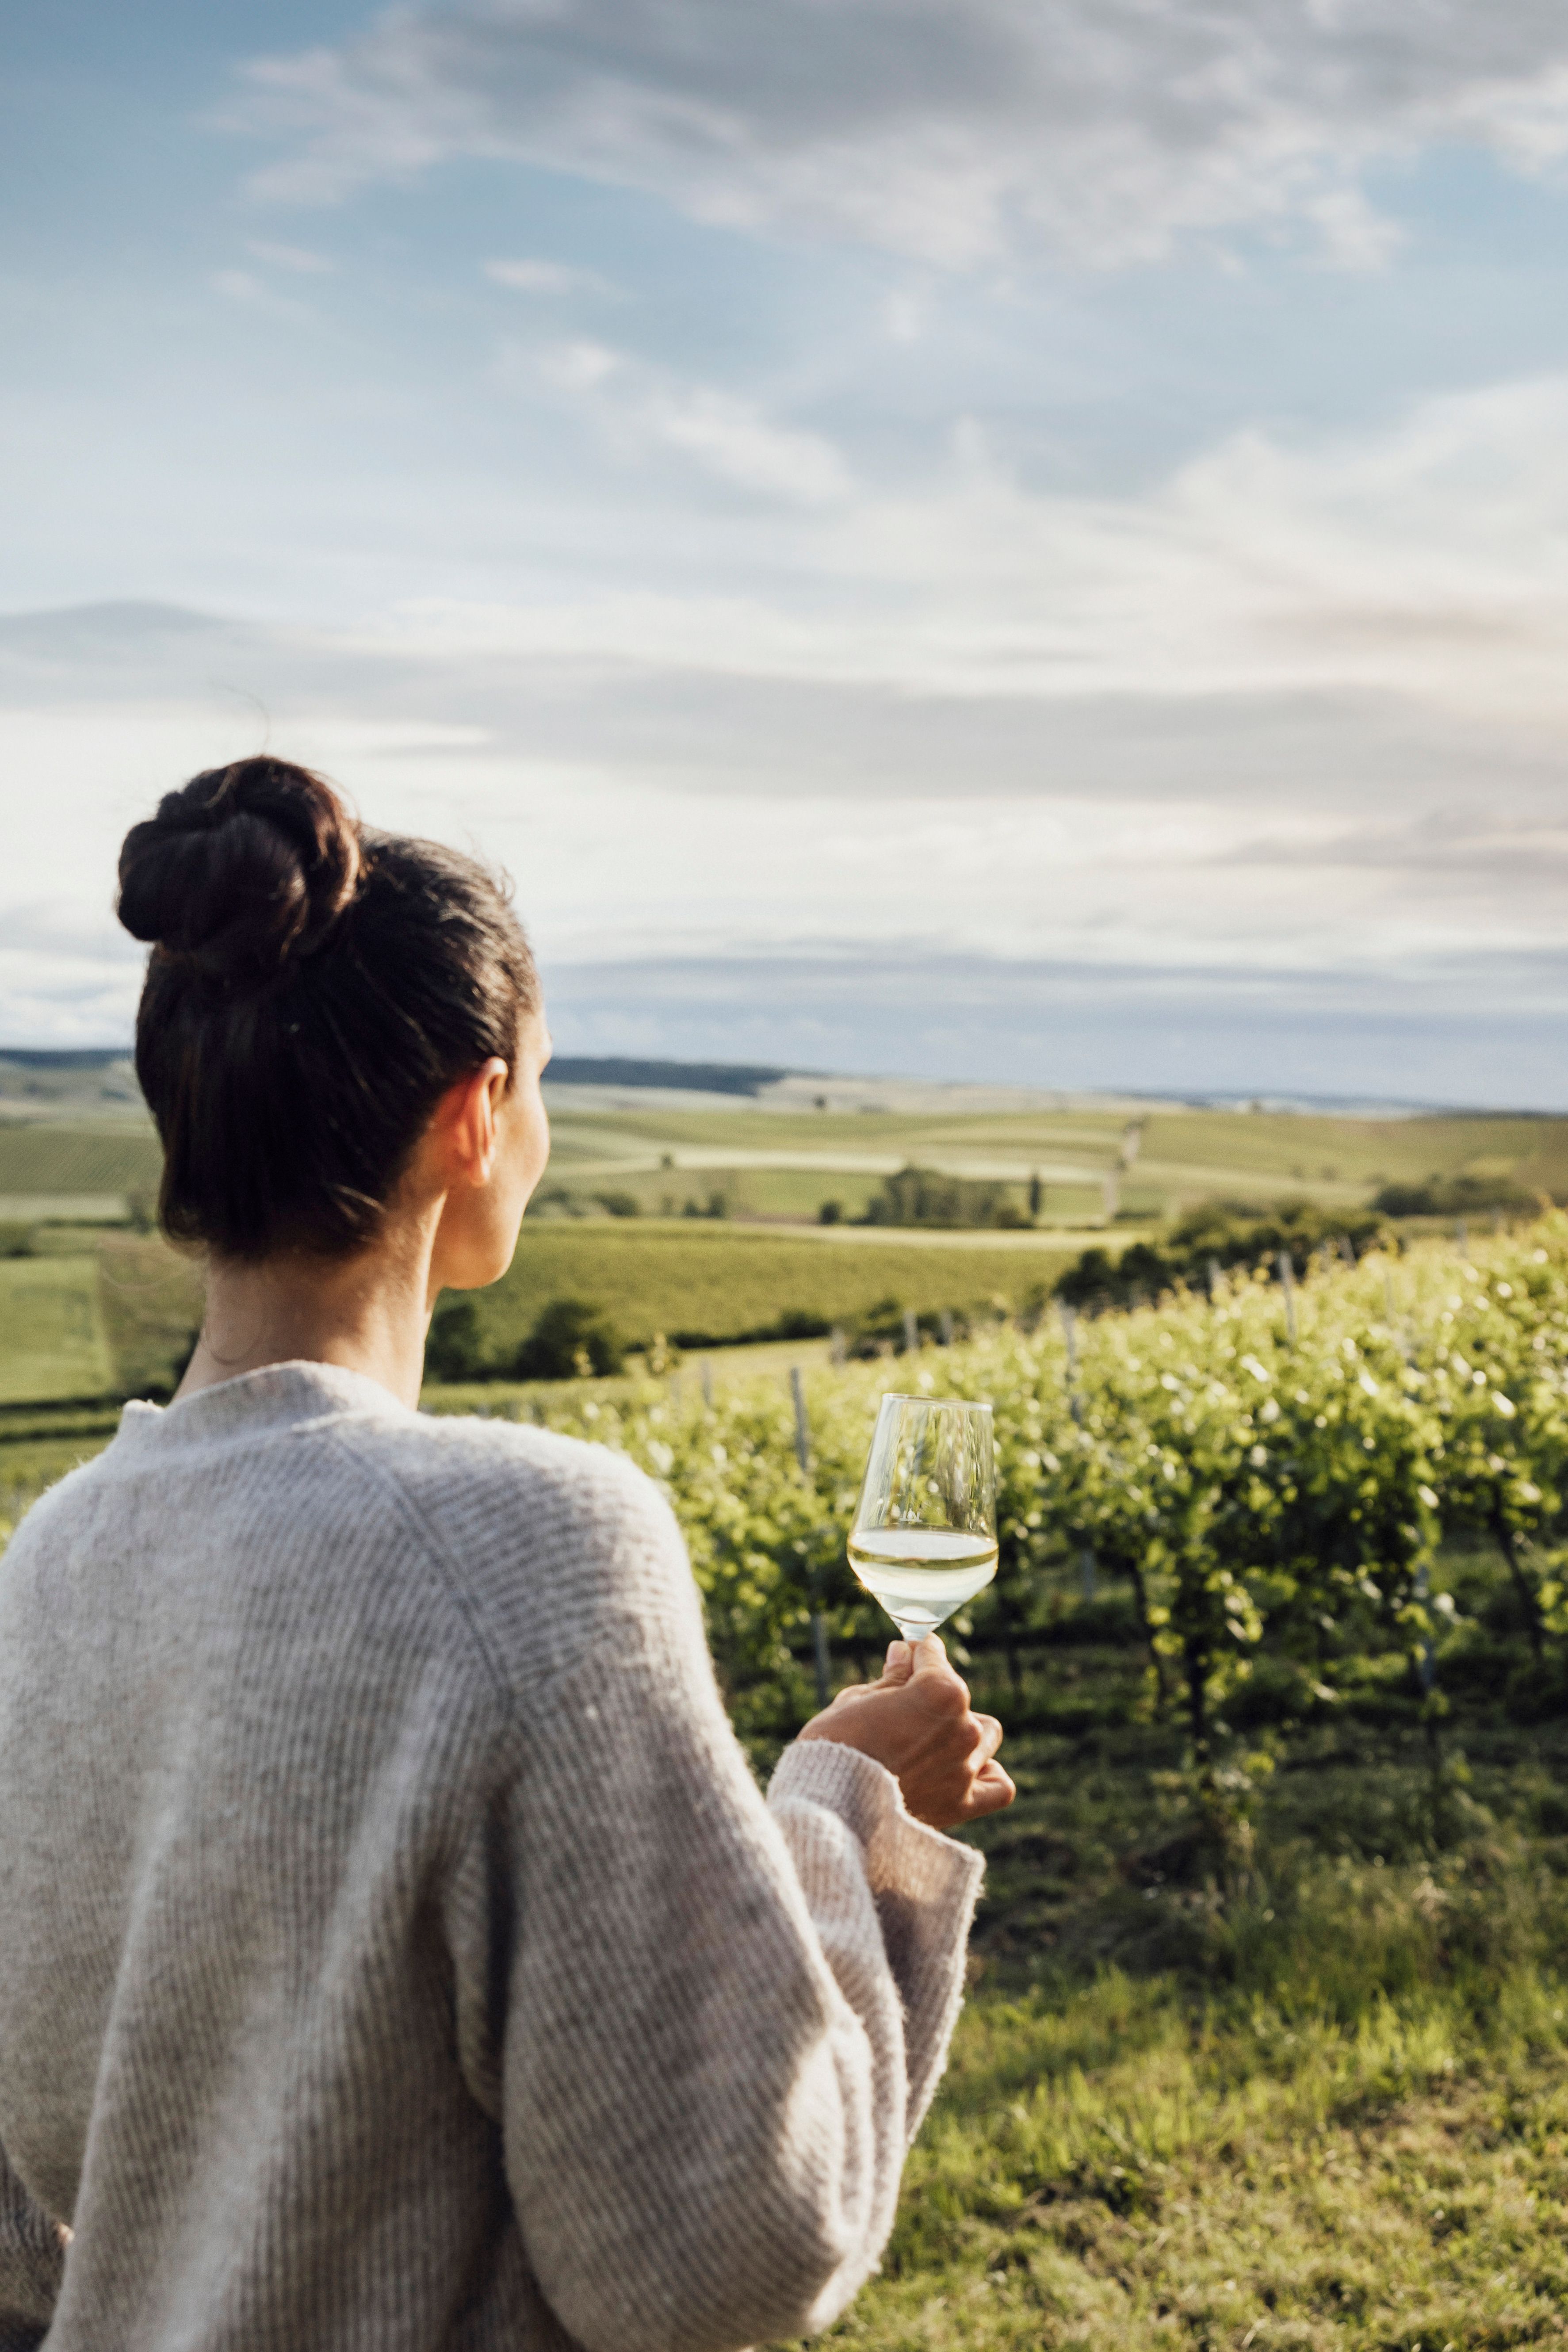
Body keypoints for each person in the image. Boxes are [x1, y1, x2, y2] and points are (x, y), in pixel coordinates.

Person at [0, 757, 1013, 2352]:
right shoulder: (530, 1542)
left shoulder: (42, 1569)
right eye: (538, 1084)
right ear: (476, 1116)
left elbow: (38, 2224)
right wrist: (838, 1816)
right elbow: (726, 2253)